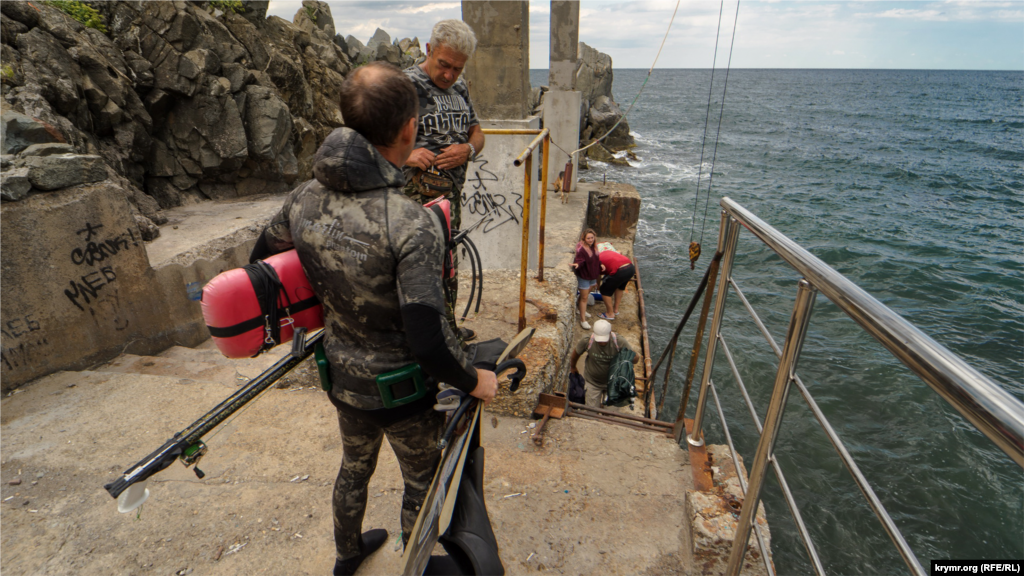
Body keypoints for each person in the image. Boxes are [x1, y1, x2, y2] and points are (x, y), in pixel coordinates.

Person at [252, 62, 498, 576]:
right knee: (421, 483)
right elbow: (428, 340)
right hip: (403, 391)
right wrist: (476, 380)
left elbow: (263, 264)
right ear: (409, 129)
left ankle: (347, 556)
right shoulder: (412, 222)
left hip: (340, 376)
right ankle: (416, 565)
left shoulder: (303, 196)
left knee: (353, 470)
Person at [403, 19, 485, 343]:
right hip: (415, 201)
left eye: (458, 69)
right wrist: (408, 154)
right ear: (429, 49)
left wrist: (468, 149)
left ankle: (447, 330)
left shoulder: (460, 88)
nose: (450, 75)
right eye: (444, 65)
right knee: (420, 272)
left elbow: (477, 134)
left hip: (452, 198)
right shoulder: (405, 85)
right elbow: (370, 136)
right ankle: (423, 340)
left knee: (448, 263)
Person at [568, 319, 639, 408]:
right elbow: (576, 353)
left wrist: (633, 357)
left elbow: (635, 359)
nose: (602, 342)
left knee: (610, 414)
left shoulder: (619, 342)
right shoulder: (587, 341)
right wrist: (573, 366)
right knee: (591, 411)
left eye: (604, 339)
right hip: (593, 382)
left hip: (613, 384)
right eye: (599, 340)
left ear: (610, 333)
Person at [571, 228, 601, 330]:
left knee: (586, 295)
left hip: (592, 276)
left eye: (592, 237)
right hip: (584, 276)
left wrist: (601, 265)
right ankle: (583, 320)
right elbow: (580, 260)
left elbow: (596, 259)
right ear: (584, 238)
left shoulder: (594, 247)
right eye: (588, 238)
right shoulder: (582, 249)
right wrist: (577, 264)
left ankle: (579, 309)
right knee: (584, 298)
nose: (590, 240)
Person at [597, 248, 635, 320]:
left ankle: (610, 314)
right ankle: (615, 310)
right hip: (630, 268)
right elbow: (619, 252)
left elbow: (597, 275)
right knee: (620, 287)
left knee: (604, 290)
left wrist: (598, 287)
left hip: (620, 271)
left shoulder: (596, 261)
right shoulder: (607, 252)